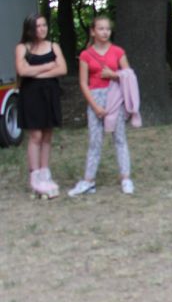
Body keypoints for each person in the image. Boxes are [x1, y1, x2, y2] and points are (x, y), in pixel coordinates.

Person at [68, 16, 136, 196]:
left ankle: (126, 178)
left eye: (108, 29)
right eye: (101, 29)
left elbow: (129, 74)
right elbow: (83, 83)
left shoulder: (118, 51)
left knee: (119, 138)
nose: (105, 32)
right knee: (95, 141)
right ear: (93, 31)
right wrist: (95, 106)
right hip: (95, 98)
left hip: (115, 97)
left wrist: (114, 75)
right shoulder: (86, 55)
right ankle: (88, 180)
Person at [14, 13, 68, 198]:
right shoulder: (23, 48)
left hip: (50, 94)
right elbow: (22, 71)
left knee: (47, 134)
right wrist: (48, 66)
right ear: (30, 29)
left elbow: (62, 69)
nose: (42, 29)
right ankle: (35, 177)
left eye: (44, 25)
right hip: (31, 95)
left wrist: (36, 73)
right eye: (38, 26)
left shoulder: (54, 46)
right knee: (35, 135)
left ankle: (45, 174)